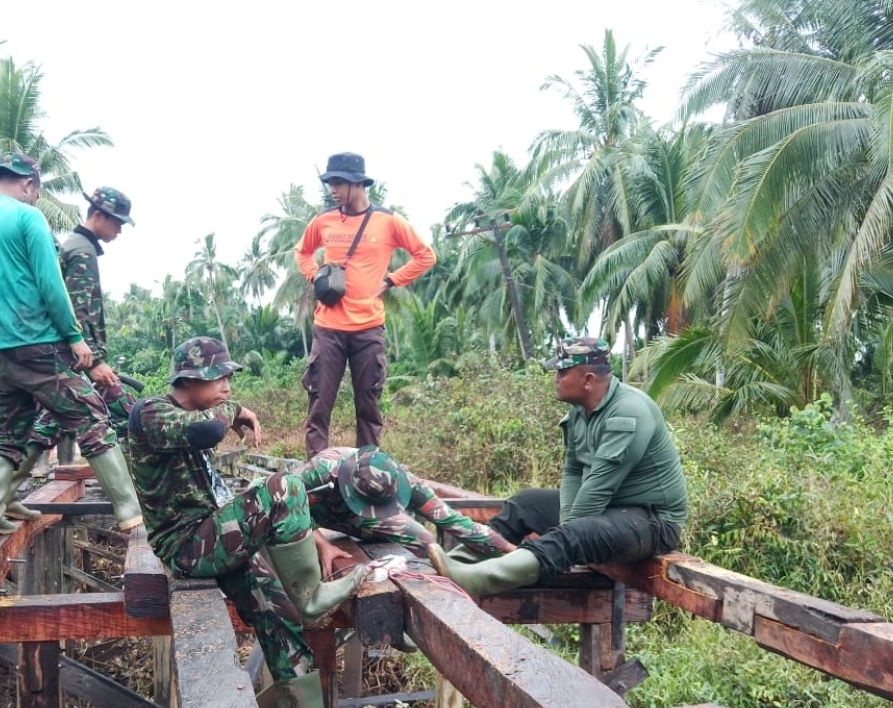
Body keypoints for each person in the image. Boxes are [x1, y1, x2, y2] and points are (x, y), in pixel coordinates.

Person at [127, 336, 373, 708]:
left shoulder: (193, 414)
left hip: (211, 538)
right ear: (190, 377)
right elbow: (208, 430)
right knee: (286, 484)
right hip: (186, 548)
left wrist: (314, 538)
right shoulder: (149, 412)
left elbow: (225, 495)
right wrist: (237, 409)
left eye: (229, 379)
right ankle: (312, 594)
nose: (225, 385)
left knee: (279, 618)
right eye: (219, 377)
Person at [0, 152, 142, 540]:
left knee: (6, 433)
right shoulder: (28, 217)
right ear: (29, 184)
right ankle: (130, 510)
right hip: (39, 344)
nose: (35, 198)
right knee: (91, 418)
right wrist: (74, 336)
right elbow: (52, 285)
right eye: (36, 192)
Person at [430, 337, 688, 596]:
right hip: (609, 511)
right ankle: (458, 564)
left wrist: (569, 531)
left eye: (562, 372)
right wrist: (567, 521)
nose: (556, 378)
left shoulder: (628, 413)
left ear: (588, 380)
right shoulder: (580, 411)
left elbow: (599, 487)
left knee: (574, 535)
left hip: (652, 522)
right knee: (525, 504)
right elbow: (574, 471)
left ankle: (478, 580)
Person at [6, 186, 139, 516]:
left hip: (68, 354)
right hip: (76, 356)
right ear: (98, 216)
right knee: (97, 417)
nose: (120, 231)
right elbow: (80, 311)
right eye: (117, 223)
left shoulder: (77, 246)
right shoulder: (81, 251)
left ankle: (3, 495)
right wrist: (94, 361)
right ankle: (129, 506)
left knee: (51, 422)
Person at [295, 152, 436, 457]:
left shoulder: (388, 221)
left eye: (338, 183)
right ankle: (315, 470)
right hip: (328, 328)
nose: (332, 189)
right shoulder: (323, 221)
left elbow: (426, 255)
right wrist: (314, 276)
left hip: (368, 329)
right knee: (319, 405)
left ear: (357, 184)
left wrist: (392, 280)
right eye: (330, 182)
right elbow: (302, 252)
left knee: (368, 405)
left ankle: (368, 470)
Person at [298, 446, 516, 575]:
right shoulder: (320, 472)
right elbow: (286, 507)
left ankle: (425, 591)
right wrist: (323, 545)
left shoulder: (405, 482)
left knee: (425, 539)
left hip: (360, 519)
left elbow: (453, 521)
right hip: (313, 517)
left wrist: (512, 551)